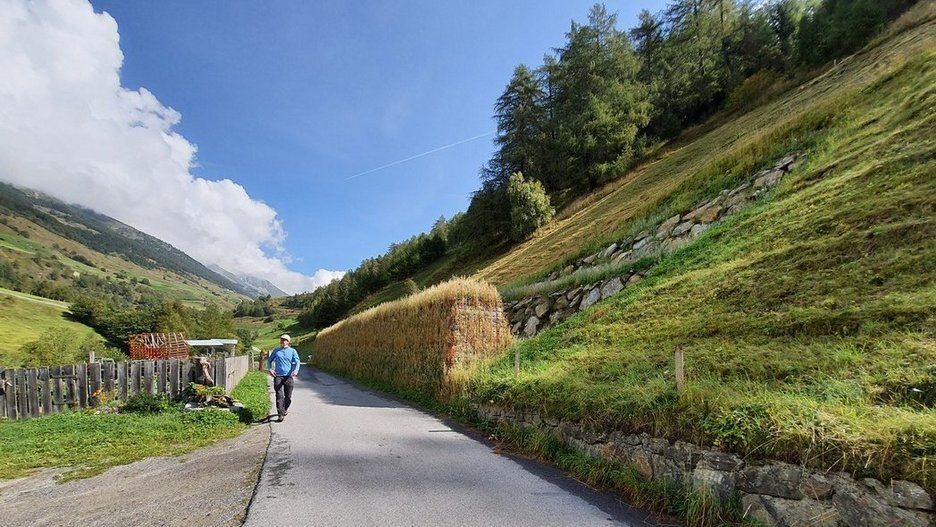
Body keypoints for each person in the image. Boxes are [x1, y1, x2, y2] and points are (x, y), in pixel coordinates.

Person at [267, 334, 300, 422]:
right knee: (279, 395)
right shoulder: (276, 351)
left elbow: (297, 362)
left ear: (288, 342)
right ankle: (280, 414)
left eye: (285, 340)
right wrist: (270, 369)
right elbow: (269, 361)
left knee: (288, 397)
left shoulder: (292, 351)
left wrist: (295, 371)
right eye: (282, 339)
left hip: (288, 376)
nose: (283, 341)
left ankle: (284, 409)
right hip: (278, 376)